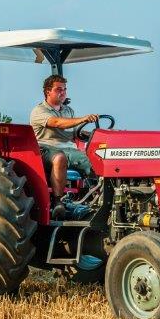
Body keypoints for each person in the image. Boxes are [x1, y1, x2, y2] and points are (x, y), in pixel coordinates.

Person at [30, 75, 97, 219]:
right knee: (59, 158)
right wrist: (84, 118)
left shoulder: (68, 111)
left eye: (65, 89)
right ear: (48, 91)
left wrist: (96, 134)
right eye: (59, 89)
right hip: (45, 149)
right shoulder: (39, 111)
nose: (63, 92)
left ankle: (97, 197)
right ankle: (57, 202)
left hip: (70, 149)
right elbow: (57, 123)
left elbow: (76, 131)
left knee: (96, 159)